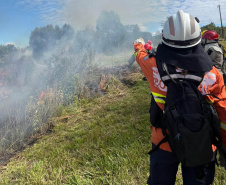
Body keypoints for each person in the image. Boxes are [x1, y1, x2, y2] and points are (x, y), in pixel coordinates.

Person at [133, 10, 226, 185]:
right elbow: (223, 113)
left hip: (163, 142)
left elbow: (140, 56)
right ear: (199, 39)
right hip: (201, 144)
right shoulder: (213, 75)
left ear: (165, 39)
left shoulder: (152, 66)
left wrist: (138, 45)